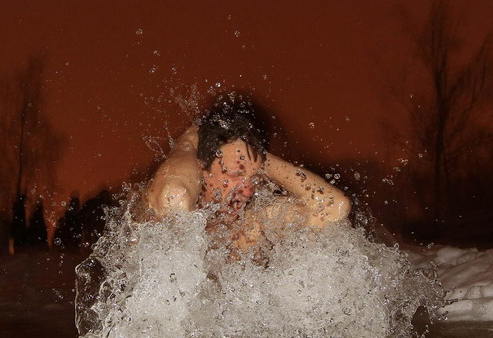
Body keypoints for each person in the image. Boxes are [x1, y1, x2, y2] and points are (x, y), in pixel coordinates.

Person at [145, 94, 351, 259]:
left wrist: (261, 159)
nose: (248, 190)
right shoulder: (151, 212)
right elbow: (173, 197)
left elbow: (334, 207)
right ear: (200, 169)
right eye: (235, 175)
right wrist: (188, 141)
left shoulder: (250, 227)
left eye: (255, 177)